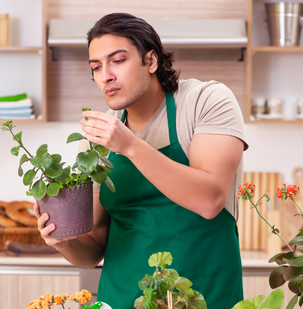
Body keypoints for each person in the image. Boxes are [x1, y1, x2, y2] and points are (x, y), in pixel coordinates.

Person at [33, 12, 248, 309]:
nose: (105, 75)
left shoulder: (206, 101)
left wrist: (130, 145)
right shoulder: (98, 138)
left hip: (203, 296)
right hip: (122, 298)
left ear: (150, 61)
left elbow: (210, 199)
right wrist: (62, 240)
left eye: (117, 60)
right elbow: (94, 249)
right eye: (96, 67)